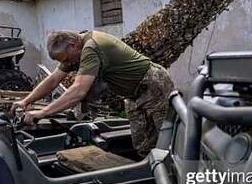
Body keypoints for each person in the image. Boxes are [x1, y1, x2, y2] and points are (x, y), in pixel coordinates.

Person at [12, 30, 174, 156]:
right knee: (143, 146)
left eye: (66, 59)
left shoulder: (91, 48)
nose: (66, 64)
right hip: (133, 95)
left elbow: (78, 91)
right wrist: (26, 101)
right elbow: (54, 80)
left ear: (73, 45)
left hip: (152, 86)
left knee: (170, 142)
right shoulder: (74, 51)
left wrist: (43, 112)